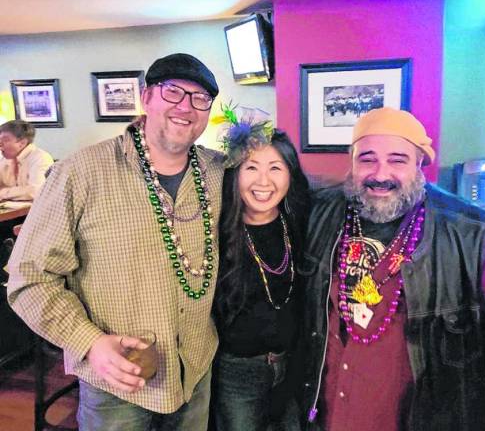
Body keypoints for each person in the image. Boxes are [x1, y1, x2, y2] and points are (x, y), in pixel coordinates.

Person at [299, 107, 485, 431]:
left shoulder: (471, 232)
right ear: (352, 162)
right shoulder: (322, 211)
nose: (380, 173)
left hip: (419, 417)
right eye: (367, 158)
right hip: (327, 412)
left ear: (420, 166)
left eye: (398, 160)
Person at [7, 53, 224, 431]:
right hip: (116, 385)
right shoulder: (79, 173)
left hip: (197, 369)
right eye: (173, 92)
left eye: (200, 98)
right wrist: (88, 342)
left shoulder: (220, 172)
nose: (186, 107)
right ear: (146, 97)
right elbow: (29, 277)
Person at [211, 106, 310, 430]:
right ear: (235, 174)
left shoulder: (300, 221)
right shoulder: (217, 233)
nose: (263, 181)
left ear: (290, 174)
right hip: (237, 371)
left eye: (275, 168)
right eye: (251, 167)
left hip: (292, 363)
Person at [0, 119, 54, 202]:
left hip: (35, 212)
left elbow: (36, 191)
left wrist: (3, 192)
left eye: (5, 140)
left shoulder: (41, 158)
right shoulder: (5, 159)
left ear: (22, 143)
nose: (0, 144)